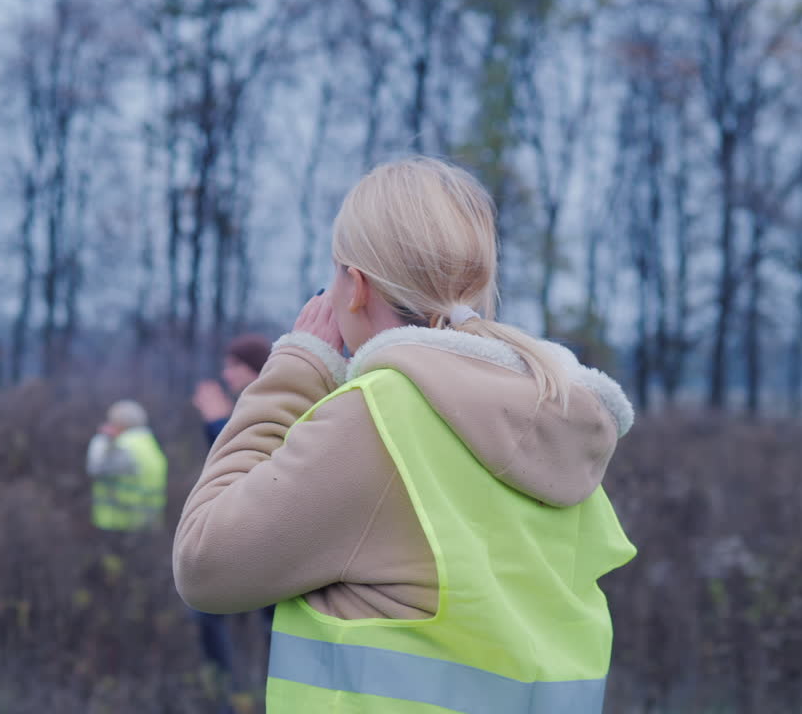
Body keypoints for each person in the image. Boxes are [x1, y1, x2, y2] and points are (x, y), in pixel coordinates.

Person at [173, 157, 637, 713]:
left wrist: (293, 373)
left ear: (356, 287)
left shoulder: (381, 418)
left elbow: (206, 566)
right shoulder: (552, 415)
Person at [189, 334, 272, 708]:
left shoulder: (269, 405)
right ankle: (226, 687)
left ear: (252, 369)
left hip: (266, 537)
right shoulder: (252, 405)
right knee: (210, 611)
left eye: (232, 366)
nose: (225, 374)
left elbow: (246, 468)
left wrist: (217, 422)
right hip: (245, 533)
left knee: (274, 625)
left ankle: (240, 690)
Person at [86, 400, 167, 532]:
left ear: (120, 424)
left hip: (120, 523)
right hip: (147, 521)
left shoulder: (123, 446)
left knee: (114, 554)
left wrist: (102, 440)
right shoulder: (148, 444)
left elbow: (96, 468)